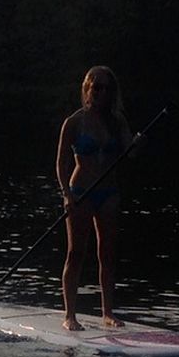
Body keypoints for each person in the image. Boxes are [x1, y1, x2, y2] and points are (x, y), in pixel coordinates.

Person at [55, 66, 139, 331]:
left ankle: (108, 313)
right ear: (88, 89)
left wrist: (138, 143)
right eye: (97, 87)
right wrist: (66, 195)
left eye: (107, 88)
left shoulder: (118, 121)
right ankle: (70, 315)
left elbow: (130, 153)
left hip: (109, 193)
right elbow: (61, 164)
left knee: (107, 254)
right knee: (76, 252)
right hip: (81, 192)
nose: (102, 92)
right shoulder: (74, 122)